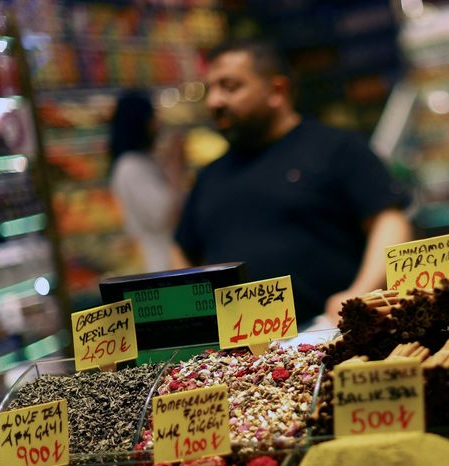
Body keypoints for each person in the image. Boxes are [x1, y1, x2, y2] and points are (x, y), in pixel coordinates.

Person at [175, 39, 412, 327]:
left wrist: (358, 294)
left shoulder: (336, 148)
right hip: (237, 353)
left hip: (331, 334)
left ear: (277, 90)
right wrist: (192, 321)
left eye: (230, 86)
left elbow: (389, 221)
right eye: (209, 90)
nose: (214, 101)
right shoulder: (209, 175)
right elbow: (182, 251)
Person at [110, 90, 183, 273]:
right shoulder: (130, 167)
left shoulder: (141, 162)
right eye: (153, 118)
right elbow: (163, 215)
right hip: (158, 265)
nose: (158, 125)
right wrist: (175, 168)